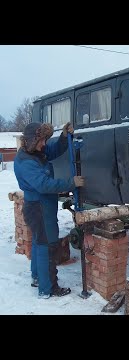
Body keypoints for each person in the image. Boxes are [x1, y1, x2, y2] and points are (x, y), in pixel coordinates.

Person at [14, 122, 85, 299]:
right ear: (31, 141)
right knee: (47, 246)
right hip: (40, 208)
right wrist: (71, 182)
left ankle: (38, 278)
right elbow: (44, 184)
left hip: (40, 206)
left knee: (40, 243)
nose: (44, 144)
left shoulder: (35, 152)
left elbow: (52, 151)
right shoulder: (26, 162)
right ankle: (48, 288)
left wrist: (63, 137)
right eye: (41, 140)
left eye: (45, 140)